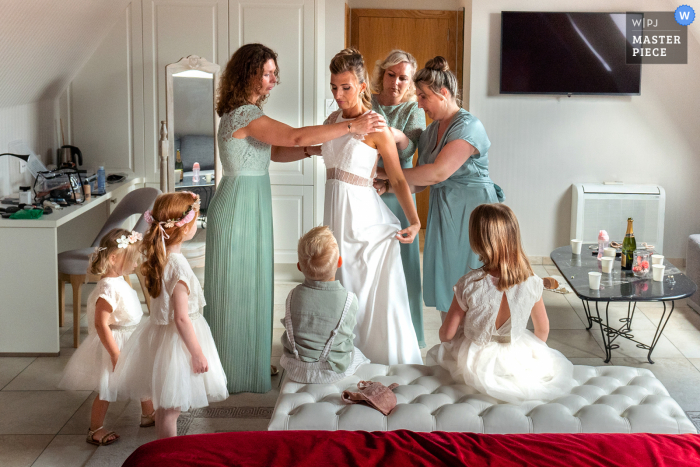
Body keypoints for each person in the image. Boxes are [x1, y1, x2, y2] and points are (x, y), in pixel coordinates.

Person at [204, 43, 386, 394]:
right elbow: (294, 135)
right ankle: (231, 369)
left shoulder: (248, 113)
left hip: (251, 199)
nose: (273, 80)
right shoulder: (243, 114)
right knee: (235, 286)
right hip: (240, 203)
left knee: (253, 284)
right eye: (267, 73)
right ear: (249, 74)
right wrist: (351, 127)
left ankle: (249, 360)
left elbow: (276, 151)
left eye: (274, 73)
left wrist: (313, 149)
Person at [376, 56, 504, 321]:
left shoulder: (469, 126)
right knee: (450, 281)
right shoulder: (431, 131)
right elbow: (420, 183)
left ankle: (480, 342)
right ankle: (454, 342)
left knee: (476, 278)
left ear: (443, 93)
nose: (419, 103)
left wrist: (386, 173)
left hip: (474, 212)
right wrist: (384, 187)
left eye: (423, 97)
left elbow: (438, 172)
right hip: (444, 211)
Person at [323, 48, 422, 365]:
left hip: (364, 224)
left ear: (363, 86)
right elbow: (308, 145)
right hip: (334, 220)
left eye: (346, 87)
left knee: (360, 298)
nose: (339, 95)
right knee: (338, 290)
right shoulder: (332, 121)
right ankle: (342, 361)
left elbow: (397, 178)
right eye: (334, 87)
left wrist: (415, 220)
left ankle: (376, 363)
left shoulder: (378, 126)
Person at [427, 204, 574, 404]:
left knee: (442, 355)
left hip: (475, 359)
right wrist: (530, 353)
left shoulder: (469, 283)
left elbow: (446, 334)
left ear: (477, 241)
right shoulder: (532, 282)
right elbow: (542, 330)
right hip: (516, 359)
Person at [114, 192, 228, 439]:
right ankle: (167, 453)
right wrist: (197, 353)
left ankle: (164, 449)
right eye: (195, 218)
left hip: (163, 337)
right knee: (170, 409)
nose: (197, 223)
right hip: (178, 342)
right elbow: (181, 318)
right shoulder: (178, 265)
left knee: (166, 408)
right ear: (183, 227)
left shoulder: (162, 258)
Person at [58, 228, 154, 446]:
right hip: (116, 341)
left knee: (141, 377)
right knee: (107, 388)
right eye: (132, 259)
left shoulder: (119, 280)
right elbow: (101, 323)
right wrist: (114, 352)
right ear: (113, 258)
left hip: (130, 338)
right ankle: (95, 429)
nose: (136, 263)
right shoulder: (108, 288)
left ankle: (148, 414)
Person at [370, 49, 427, 348]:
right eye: (391, 74)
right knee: (370, 257)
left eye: (403, 78)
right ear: (382, 74)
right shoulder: (368, 100)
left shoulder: (414, 110)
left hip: (398, 191)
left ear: (410, 82)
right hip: (367, 187)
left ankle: (410, 334)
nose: (395, 82)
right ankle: (372, 329)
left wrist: (390, 133)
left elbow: (406, 151)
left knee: (403, 261)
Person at [279, 226, 370, 383]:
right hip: (331, 372)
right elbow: (346, 335)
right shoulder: (349, 299)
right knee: (358, 354)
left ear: (299, 266)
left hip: (297, 369)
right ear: (339, 262)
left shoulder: (292, 295)